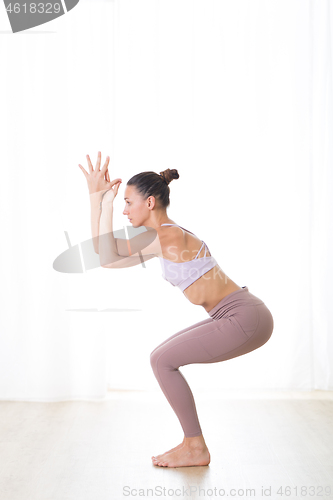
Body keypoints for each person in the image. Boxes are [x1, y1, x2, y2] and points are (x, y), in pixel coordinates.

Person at [79, 151, 274, 468]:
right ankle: (193, 445)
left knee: (161, 359)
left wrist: (98, 197)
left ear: (150, 202)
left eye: (128, 203)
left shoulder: (163, 235)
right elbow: (106, 259)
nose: (125, 210)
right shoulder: (164, 236)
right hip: (242, 313)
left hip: (243, 317)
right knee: (161, 357)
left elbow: (105, 251)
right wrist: (101, 201)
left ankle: (195, 447)